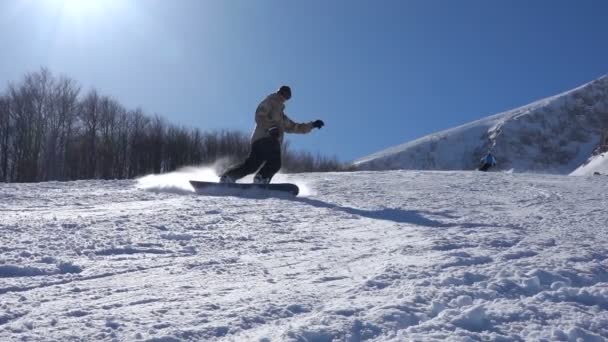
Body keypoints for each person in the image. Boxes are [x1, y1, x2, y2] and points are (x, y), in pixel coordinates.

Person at [219, 85, 324, 184]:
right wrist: (271, 128)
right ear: (279, 92)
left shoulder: (282, 117)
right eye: (284, 94)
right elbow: (259, 115)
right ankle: (261, 178)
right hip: (266, 139)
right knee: (275, 163)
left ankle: (228, 177)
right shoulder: (270, 102)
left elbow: (295, 127)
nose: (285, 98)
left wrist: (312, 125)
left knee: (252, 166)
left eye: (288, 97)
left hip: (262, 141)